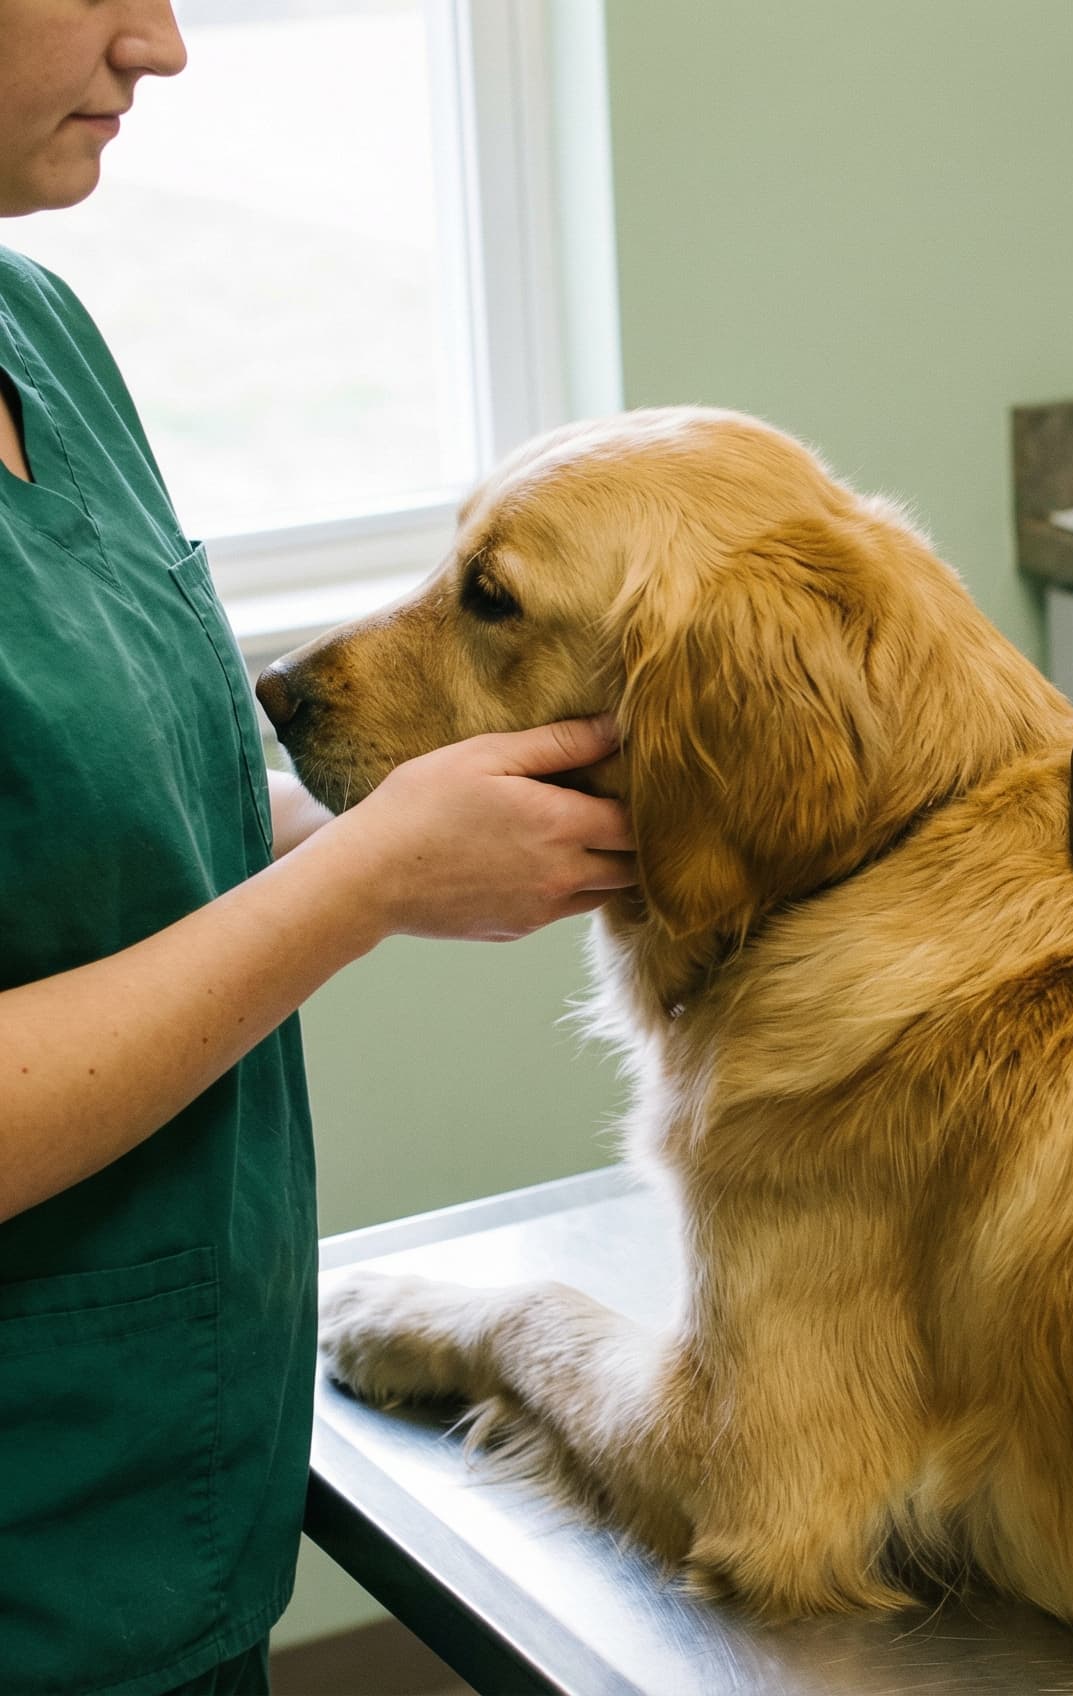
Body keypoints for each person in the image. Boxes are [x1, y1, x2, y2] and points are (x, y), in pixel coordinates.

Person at [0, 4, 637, 1691]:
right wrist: (370, 880)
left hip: (173, 1499)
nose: (165, 44)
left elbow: (129, 813)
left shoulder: (38, 331)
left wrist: (444, 818)